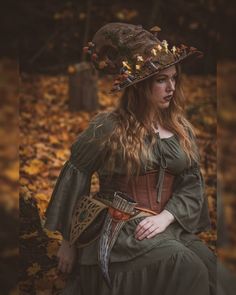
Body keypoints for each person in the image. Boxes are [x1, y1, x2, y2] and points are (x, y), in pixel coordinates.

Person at [44, 23, 216, 295]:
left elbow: (191, 182)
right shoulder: (108, 127)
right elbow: (74, 175)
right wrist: (68, 240)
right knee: (187, 266)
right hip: (120, 230)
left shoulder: (181, 128)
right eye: (161, 80)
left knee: (211, 266)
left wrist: (167, 216)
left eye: (174, 78)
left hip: (164, 226)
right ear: (139, 85)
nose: (171, 87)